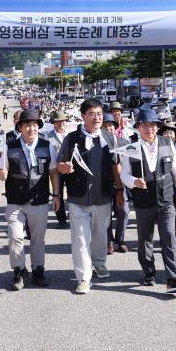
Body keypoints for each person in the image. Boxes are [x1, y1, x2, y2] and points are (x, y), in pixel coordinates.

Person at [56, 98, 123, 294]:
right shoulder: (71, 138)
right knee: (81, 239)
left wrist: (120, 190)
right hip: (78, 198)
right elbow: (59, 165)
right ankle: (84, 277)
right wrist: (64, 168)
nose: (97, 118)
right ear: (83, 116)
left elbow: (115, 166)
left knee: (101, 235)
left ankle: (100, 263)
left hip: (103, 196)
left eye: (100, 114)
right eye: (92, 114)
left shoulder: (109, 138)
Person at [120, 110, 176, 293]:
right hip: (143, 200)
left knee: (168, 236)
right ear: (137, 128)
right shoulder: (130, 148)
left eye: (152, 125)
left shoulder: (168, 143)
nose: (149, 129)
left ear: (157, 127)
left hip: (166, 198)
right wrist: (133, 181)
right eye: (145, 125)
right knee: (145, 239)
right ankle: (149, 272)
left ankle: (174, 278)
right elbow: (124, 174)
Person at [0, 110, 60, 291]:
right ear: (20, 128)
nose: (31, 128)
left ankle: (38, 270)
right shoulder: (9, 146)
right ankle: (18, 270)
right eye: (27, 125)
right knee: (15, 236)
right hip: (16, 201)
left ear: (38, 127)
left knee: (38, 239)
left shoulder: (47, 146)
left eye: (34, 125)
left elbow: (53, 172)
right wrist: (1, 174)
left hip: (39, 200)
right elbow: (2, 173)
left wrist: (56, 195)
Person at [101, 113, 130, 254]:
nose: (108, 129)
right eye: (105, 126)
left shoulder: (124, 143)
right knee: (105, 214)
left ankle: (120, 239)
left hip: (121, 183)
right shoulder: (99, 144)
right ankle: (109, 241)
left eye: (111, 126)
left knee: (124, 212)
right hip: (104, 184)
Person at [158, 121, 176, 236]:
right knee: (164, 214)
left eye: (171, 133)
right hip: (163, 187)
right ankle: (166, 236)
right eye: (166, 133)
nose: (169, 135)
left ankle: (173, 236)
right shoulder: (158, 148)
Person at [46, 111, 69, 228]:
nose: (61, 124)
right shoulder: (48, 136)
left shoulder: (70, 134)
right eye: (58, 122)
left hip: (70, 169)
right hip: (56, 169)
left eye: (63, 121)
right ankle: (61, 219)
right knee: (57, 193)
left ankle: (74, 214)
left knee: (73, 192)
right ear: (54, 123)